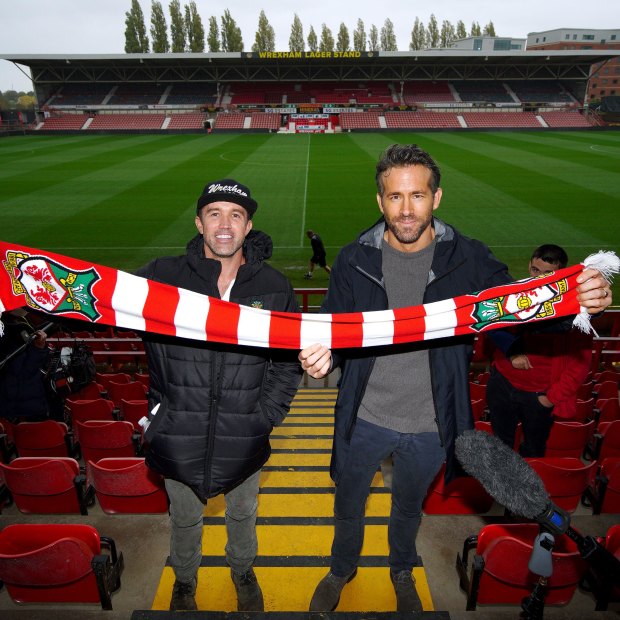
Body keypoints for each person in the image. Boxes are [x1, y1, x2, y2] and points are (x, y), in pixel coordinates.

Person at [298, 144, 613, 613]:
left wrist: (577, 304)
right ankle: (342, 567)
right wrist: (324, 356)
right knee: (349, 503)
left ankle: (401, 567)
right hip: (362, 418)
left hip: (431, 424)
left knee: (408, 507)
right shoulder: (352, 259)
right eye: (395, 196)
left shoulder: (469, 260)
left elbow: (519, 309)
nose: (407, 209)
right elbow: (333, 326)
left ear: (437, 198)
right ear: (379, 201)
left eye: (418, 195)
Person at [137, 179, 302, 612]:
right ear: (199, 223)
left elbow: (286, 362)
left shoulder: (274, 286)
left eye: (235, 215)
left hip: (244, 431)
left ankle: (242, 569)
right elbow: (96, 304)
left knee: (243, 513)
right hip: (178, 430)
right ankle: (185, 580)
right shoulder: (161, 276)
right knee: (185, 518)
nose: (224, 225)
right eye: (214, 214)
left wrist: (265, 416)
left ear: (248, 226)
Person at [486, 244, 593, 457]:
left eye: (548, 274)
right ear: (529, 266)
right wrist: (511, 352)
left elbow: (580, 363)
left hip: (539, 396)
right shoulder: (513, 294)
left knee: (533, 453)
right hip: (503, 385)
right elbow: (490, 326)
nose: (540, 278)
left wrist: (550, 398)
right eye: (536, 270)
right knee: (500, 449)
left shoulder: (574, 309)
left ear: (560, 274)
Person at [0, 308, 50, 423]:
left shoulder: (21, 325)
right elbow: (27, 370)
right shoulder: (18, 330)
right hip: (21, 403)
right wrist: (39, 348)